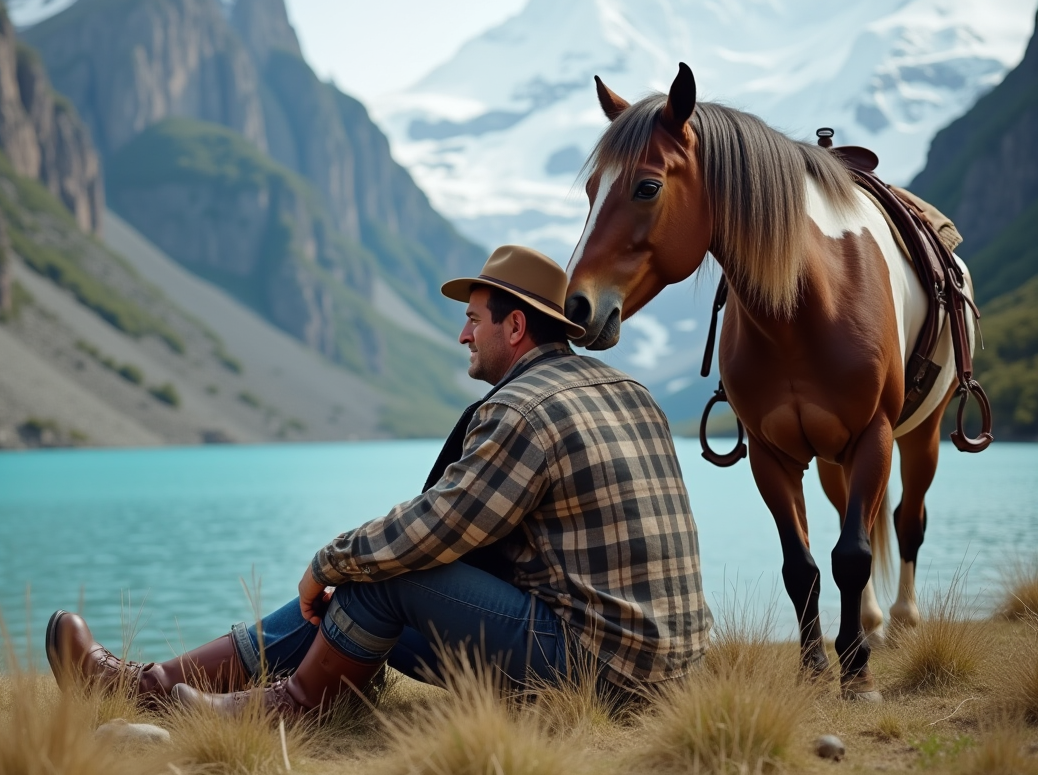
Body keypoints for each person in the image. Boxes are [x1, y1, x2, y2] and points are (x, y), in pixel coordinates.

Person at [45, 245, 712, 717]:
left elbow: (433, 530)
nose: (462, 335)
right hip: (672, 671)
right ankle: (154, 686)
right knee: (370, 585)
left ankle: (291, 707)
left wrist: (327, 560)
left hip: (601, 675)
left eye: (474, 319)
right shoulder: (629, 391)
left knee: (387, 569)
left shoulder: (522, 410)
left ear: (515, 325)